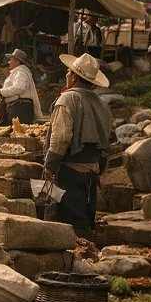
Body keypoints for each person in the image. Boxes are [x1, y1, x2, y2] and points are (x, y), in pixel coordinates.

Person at [46, 54, 112, 239]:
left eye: (69, 72)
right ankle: (86, 255)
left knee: (71, 224)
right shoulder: (103, 105)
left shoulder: (67, 100)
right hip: (92, 170)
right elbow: (106, 140)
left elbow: (60, 138)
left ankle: (76, 261)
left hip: (70, 171)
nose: (67, 75)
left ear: (73, 77)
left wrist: (50, 165)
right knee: (85, 216)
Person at [0, 49, 42, 125]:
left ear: (17, 62)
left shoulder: (21, 73)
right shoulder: (18, 72)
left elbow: (18, 88)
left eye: (11, 60)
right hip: (18, 107)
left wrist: (1, 92)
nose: (8, 62)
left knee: (19, 133)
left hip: (20, 108)